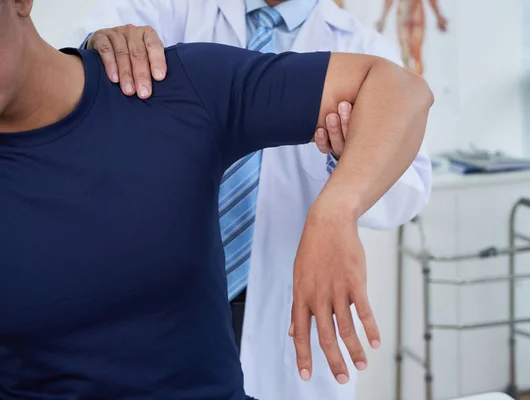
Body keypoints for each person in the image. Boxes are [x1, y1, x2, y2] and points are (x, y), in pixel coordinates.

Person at [70, 1, 433, 399]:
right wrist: (96, 48)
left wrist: (352, 166)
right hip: (162, 301)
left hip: (284, 308)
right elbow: (64, 71)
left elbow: (409, 187)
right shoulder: (168, 9)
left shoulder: (365, 48)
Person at [376, 0, 448, 75]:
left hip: (414, 12)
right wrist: (383, 18)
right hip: (408, 12)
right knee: (407, 54)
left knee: (414, 53)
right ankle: (410, 82)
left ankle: (415, 82)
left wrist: (438, 16)